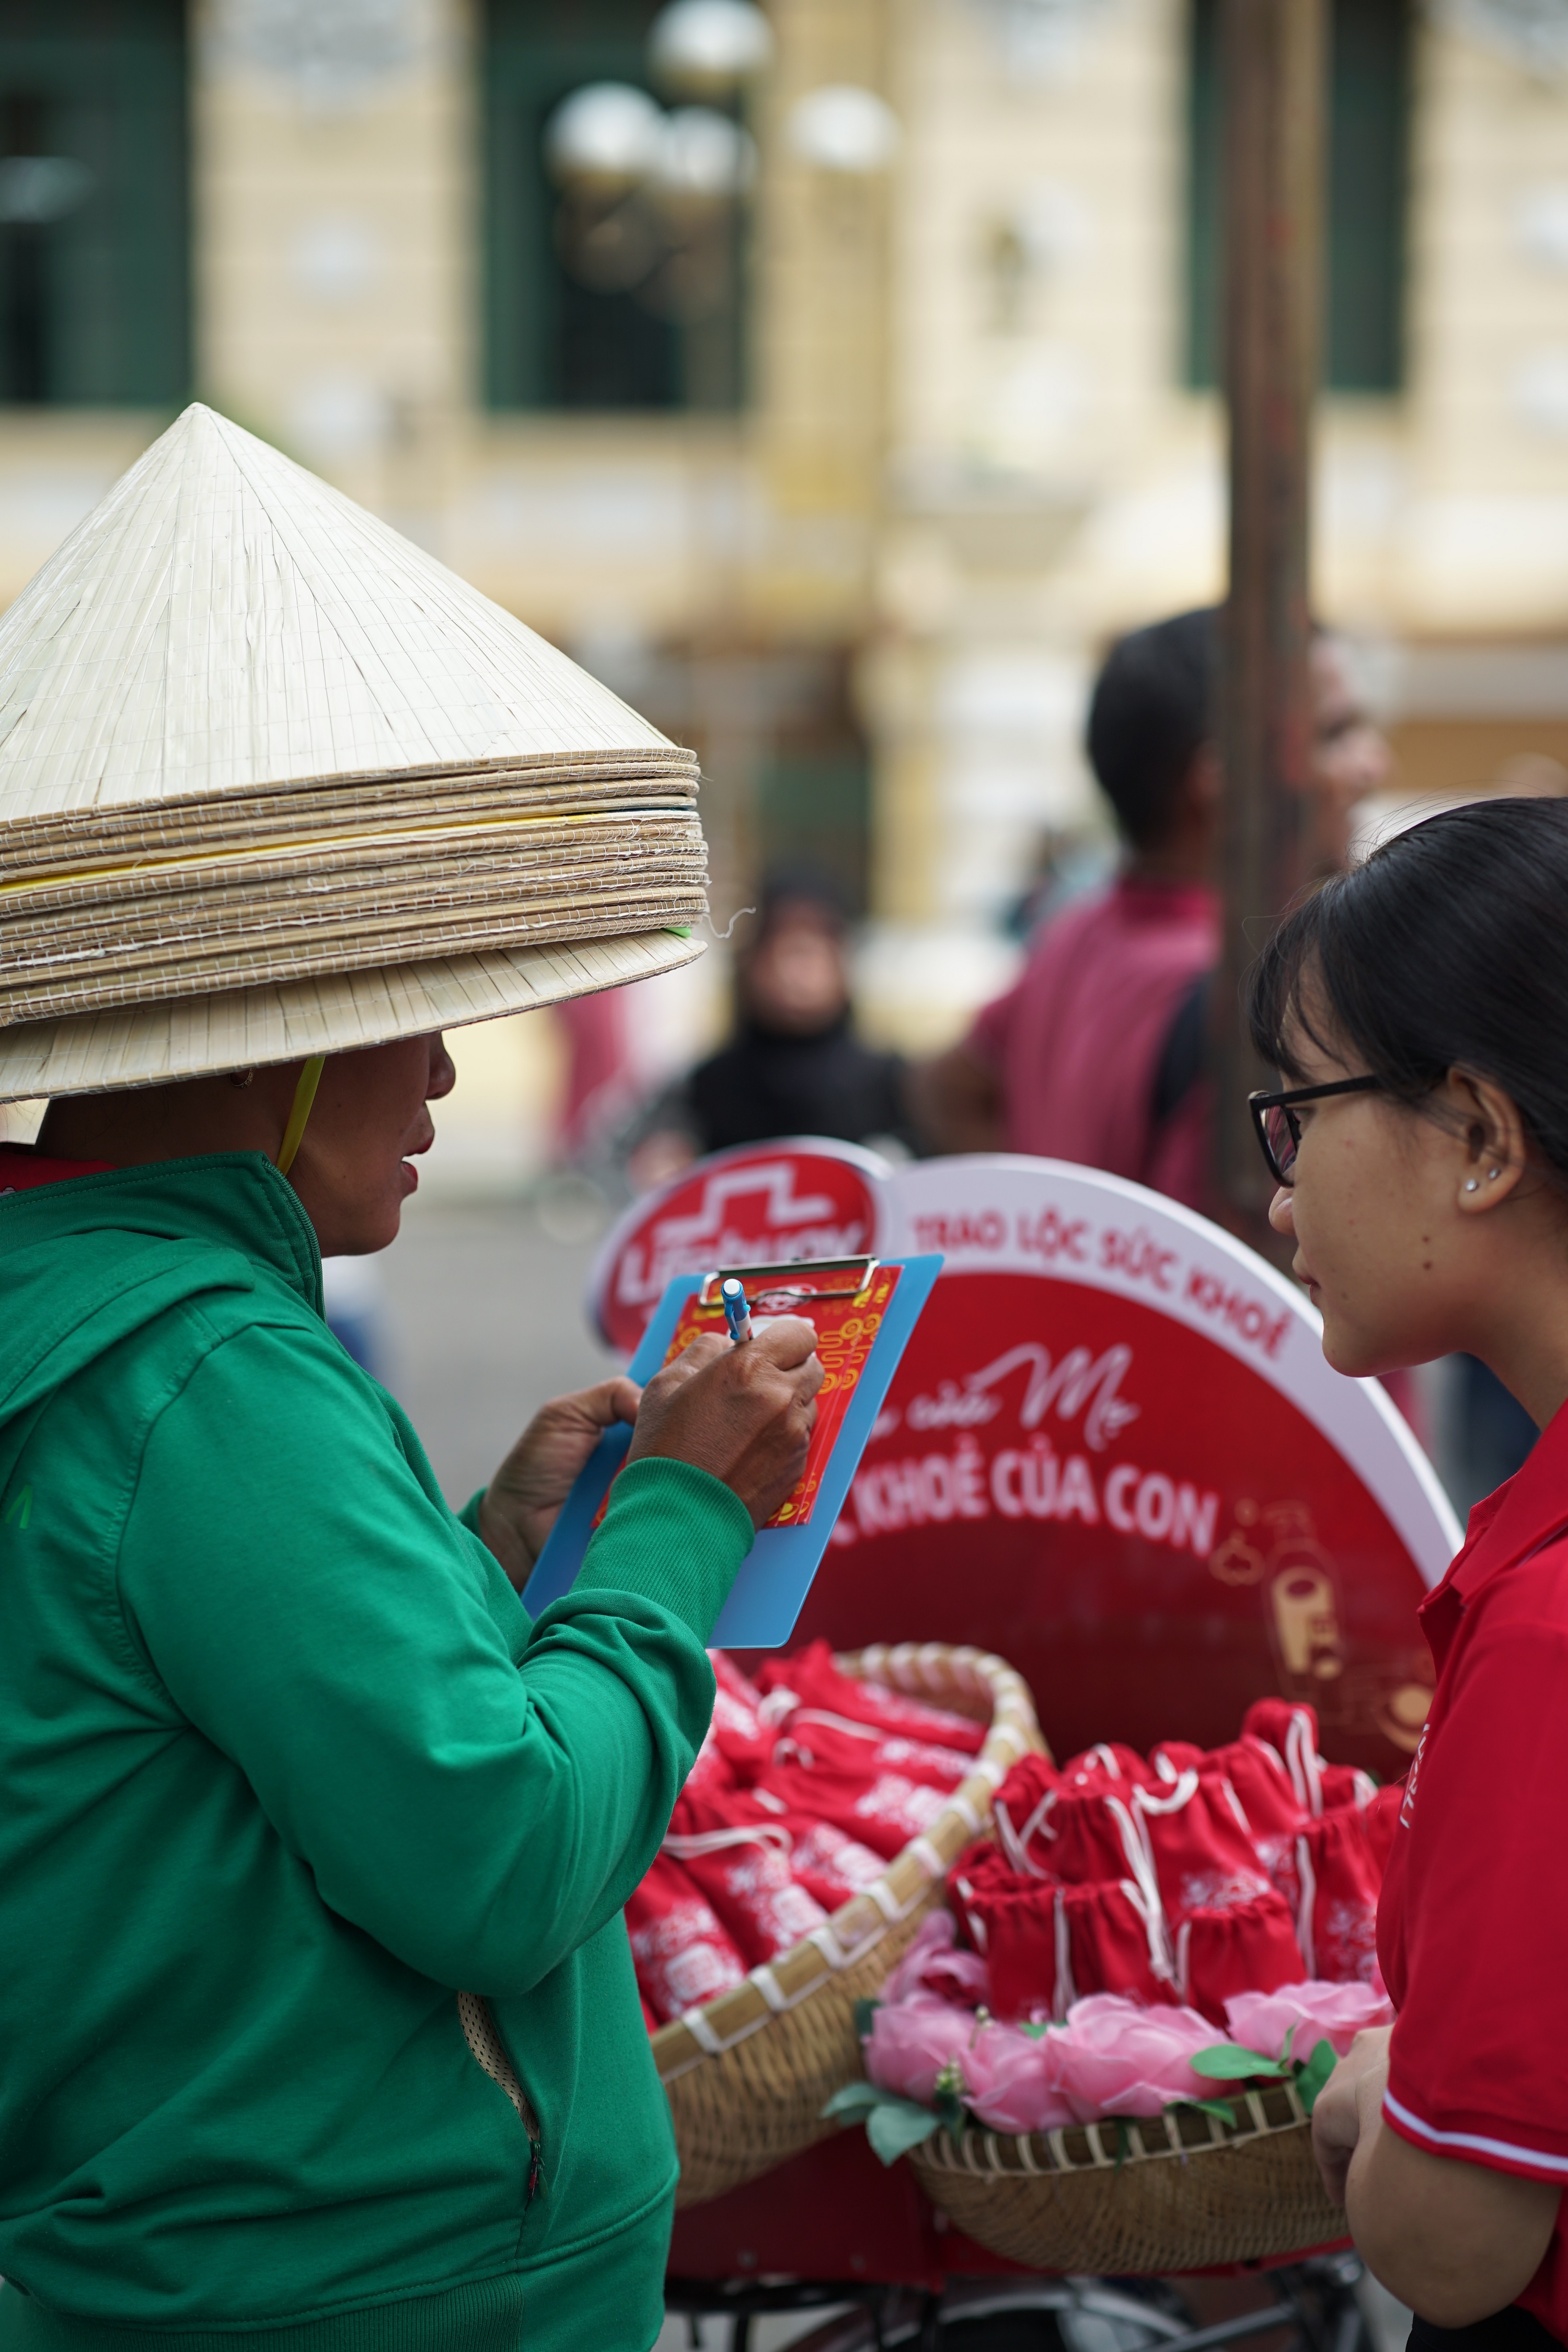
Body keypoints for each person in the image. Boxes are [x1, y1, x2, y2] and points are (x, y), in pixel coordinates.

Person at [0, 405, 821, 2352]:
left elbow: (204, 1760)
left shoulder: (108, 1326)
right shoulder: (208, 1379)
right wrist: (685, 1523)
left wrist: (481, 1556)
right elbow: (501, 1858)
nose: (446, 1074)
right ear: (276, 1044)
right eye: (404, 1019)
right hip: (363, 2291)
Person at [1246, 795, 1568, 2346]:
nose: (1278, 1191)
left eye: (1297, 1114)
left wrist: (1376, 2106)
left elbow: (1451, 2247)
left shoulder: (1552, 1635)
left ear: (1485, 1138)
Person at [910, 609, 1391, 1213]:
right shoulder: (1257, 984)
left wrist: (1048, 1231)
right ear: (1220, 777)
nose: (1374, 765)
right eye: (1336, 734)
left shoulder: (1074, 935)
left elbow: (946, 1086)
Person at [626, 869, 911, 1183]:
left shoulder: (895, 1088)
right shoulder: (702, 1090)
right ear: (748, 959)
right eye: (778, 941)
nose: (793, 966)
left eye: (813, 943)